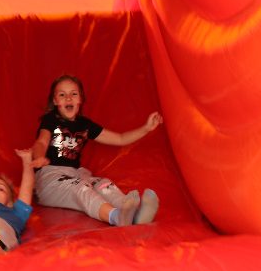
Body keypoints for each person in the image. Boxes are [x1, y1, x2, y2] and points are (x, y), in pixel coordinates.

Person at [30, 74, 162, 226]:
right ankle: (116, 217)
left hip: (76, 174)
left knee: (103, 183)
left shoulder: (85, 125)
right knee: (80, 188)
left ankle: (133, 212)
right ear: (55, 101)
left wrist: (146, 128)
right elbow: (41, 142)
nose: (68, 98)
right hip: (50, 180)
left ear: (80, 99)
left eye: (74, 94)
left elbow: (120, 139)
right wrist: (39, 157)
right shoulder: (50, 120)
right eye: (62, 95)